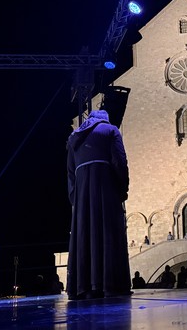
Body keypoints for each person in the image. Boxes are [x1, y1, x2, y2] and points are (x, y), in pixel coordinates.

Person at [66, 109, 132, 299]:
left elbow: (70, 173)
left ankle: (83, 287)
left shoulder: (73, 138)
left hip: (81, 193)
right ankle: (109, 285)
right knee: (107, 230)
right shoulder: (111, 130)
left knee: (84, 234)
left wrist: (76, 199)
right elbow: (120, 161)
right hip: (105, 188)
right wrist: (122, 188)